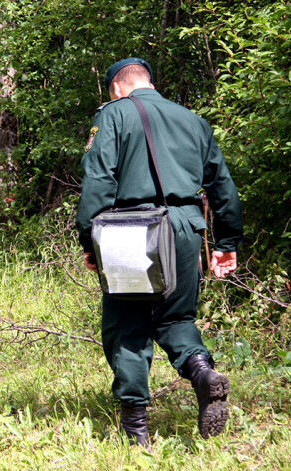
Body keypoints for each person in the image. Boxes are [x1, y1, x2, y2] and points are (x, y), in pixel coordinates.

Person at [75, 58, 243, 446]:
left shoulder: (114, 115)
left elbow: (98, 182)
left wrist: (90, 242)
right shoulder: (193, 120)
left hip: (132, 233)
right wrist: (226, 244)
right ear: (149, 82)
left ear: (116, 88)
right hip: (185, 228)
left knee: (128, 325)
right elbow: (223, 189)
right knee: (176, 318)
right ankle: (202, 373)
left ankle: (137, 434)